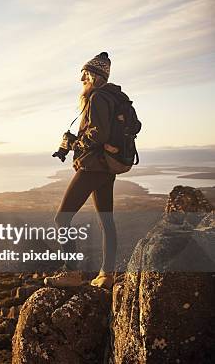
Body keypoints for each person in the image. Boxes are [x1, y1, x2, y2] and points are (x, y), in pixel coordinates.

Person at [44, 52, 130, 289]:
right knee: (107, 222)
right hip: (106, 168)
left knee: (62, 218)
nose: (81, 79)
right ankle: (107, 274)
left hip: (92, 166)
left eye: (84, 74)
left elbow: (98, 134)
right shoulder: (113, 97)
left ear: (94, 75)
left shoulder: (98, 98)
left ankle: (72, 273)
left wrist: (73, 144)